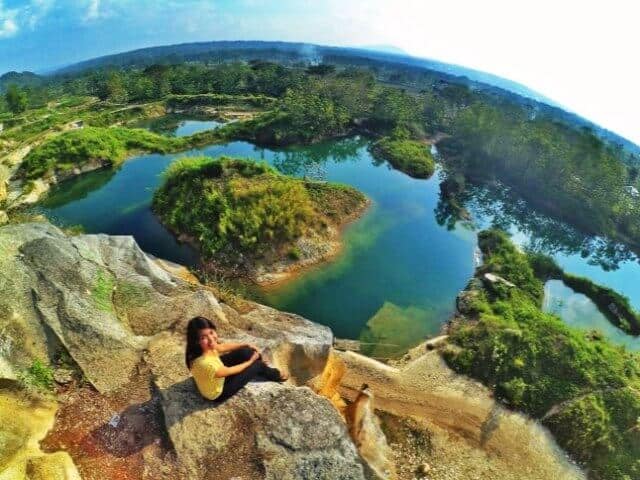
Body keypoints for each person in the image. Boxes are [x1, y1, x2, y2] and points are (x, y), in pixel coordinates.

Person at [185, 316, 288, 402]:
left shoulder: (201, 349)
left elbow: (222, 347)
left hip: (216, 372)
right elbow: (230, 371)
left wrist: (245, 344)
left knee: (245, 351)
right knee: (257, 365)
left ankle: (260, 365)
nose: (211, 339)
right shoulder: (205, 363)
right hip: (219, 391)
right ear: (196, 341)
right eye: (203, 337)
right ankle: (275, 375)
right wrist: (251, 362)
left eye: (211, 332)